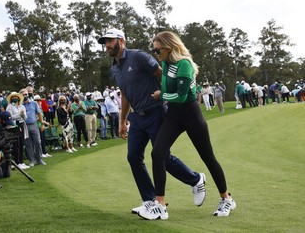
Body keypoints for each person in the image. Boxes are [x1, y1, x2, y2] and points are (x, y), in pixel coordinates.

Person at [98, 28, 205, 216]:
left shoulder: (138, 56)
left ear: (121, 40)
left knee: (163, 157)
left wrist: (165, 97)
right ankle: (149, 201)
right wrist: (123, 120)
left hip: (155, 112)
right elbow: (124, 95)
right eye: (104, 42)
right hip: (137, 118)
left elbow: (162, 74)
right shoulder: (114, 68)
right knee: (133, 157)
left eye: (110, 41)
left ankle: (195, 179)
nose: (106, 45)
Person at [139, 31, 236, 220]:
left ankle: (226, 198)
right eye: (154, 50)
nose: (155, 53)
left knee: (208, 158)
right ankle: (160, 204)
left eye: (157, 50)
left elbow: (181, 96)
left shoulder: (184, 64)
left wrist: (162, 96)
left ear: (170, 47)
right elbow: (170, 91)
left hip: (191, 114)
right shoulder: (165, 64)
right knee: (157, 153)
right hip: (174, 115)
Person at [20, 88, 46, 166]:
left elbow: (39, 114)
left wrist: (42, 124)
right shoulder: (20, 105)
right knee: (28, 144)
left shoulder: (34, 103)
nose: (25, 96)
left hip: (34, 124)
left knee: (37, 142)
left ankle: (39, 159)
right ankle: (32, 160)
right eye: (23, 95)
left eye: (26, 94)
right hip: (25, 126)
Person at [5, 92, 30, 170]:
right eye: (13, 97)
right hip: (14, 125)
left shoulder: (22, 106)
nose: (15, 98)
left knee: (21, 144)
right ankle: (17, 162)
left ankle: (21, 162)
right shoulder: (9, 107)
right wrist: (18, 115)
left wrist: (22, 114)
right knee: (16, 144)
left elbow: (25, 117)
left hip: (22, 124)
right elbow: (9, 117)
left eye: (16, 97)